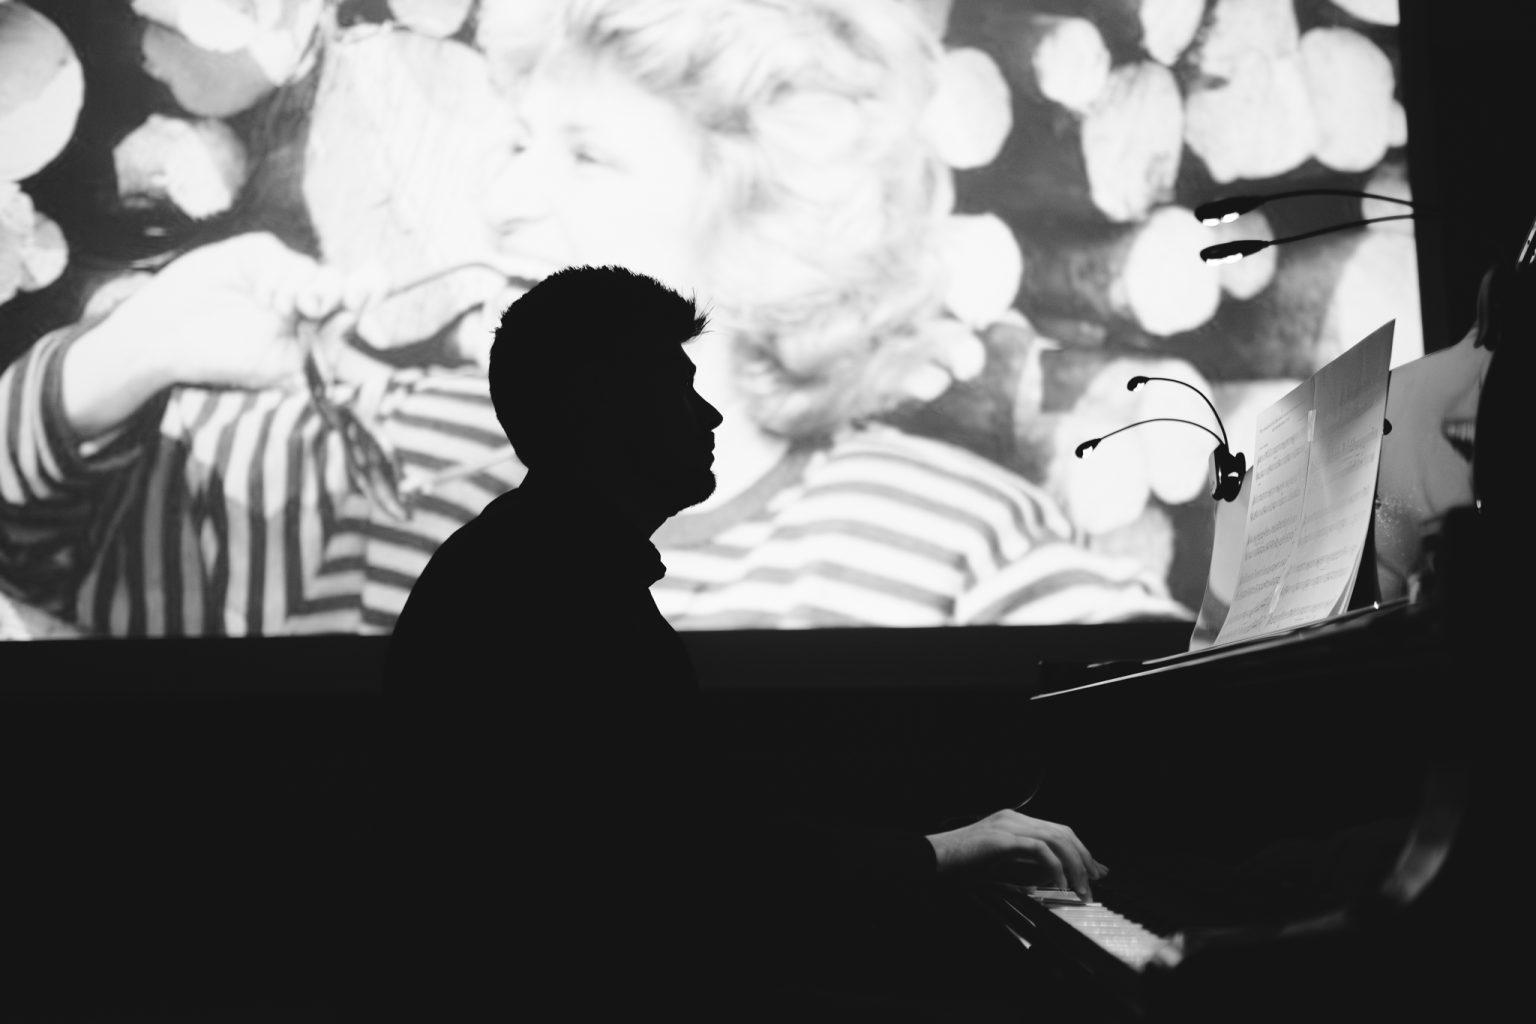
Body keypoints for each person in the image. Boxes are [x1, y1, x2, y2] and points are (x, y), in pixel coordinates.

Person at [0, 0, 1185, 640]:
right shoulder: (370, 460)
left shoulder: (944, 543)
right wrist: (130, 352)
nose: (506, 198)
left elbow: (1176, 730)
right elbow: (35, 565)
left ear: (761, 221)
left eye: (588, 155)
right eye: (519, 143)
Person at [368, 265, 1109, 1019]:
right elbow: (684, 863)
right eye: (678, 388)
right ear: (603, 411)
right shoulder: (544, 593)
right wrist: (943, 851)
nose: (710, 414)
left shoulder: (538, 562)